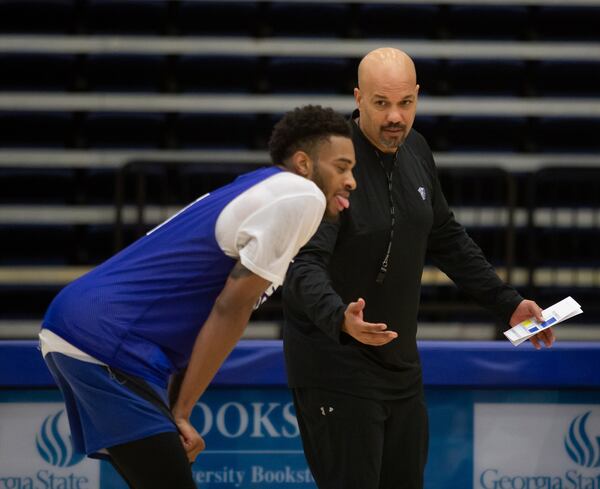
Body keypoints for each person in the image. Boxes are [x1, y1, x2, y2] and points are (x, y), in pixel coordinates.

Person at [38, 105, 356, 489]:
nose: (352, 180)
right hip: (108, 339)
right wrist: (183, 411)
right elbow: (230, 308)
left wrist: (176, 407)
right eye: (341, 167)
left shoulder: (263, 186)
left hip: (89, 331)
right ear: (304, 163)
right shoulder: (302, 196)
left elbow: (208, 309)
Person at [282, 48, 555, 489]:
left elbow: (445, 236)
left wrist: (507, 303)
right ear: (357, 98)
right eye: (381, 103)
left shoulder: (417, 149)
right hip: (336, 365)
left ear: (418, 97)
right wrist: (339, 319)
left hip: (400, 364)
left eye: (405, 103)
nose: (395, 117)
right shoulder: (331, 166)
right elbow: (302, 268)